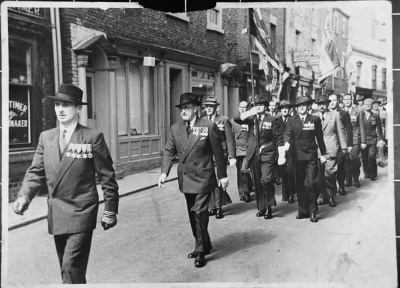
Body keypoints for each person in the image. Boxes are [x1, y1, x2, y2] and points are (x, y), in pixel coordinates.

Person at [13, 83, 119, 284]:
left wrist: (110, 210)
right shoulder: (47, 138)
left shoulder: (91, 137)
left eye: (67, 105)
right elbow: (36, 172)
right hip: (57, 213)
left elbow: (107, 177)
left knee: (70, 268)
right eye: (58, 105)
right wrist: (24, 196)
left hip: (82, 212)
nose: (60, 110)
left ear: (78, 108)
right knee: (70, 271)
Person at [158, 92, 228, 268]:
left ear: (196, 109)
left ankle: (200, 251)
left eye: (187, 108)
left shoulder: (209, 126)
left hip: (203, 177)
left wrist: (223, 175)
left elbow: (219, 153)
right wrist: (164, 172)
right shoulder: (176, 128)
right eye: (182, 108)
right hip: (186, 178)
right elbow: (168, 151)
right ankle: (204, 244)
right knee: (192, 214)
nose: (183, 111)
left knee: (199, 212)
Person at [234, 93, 283, 219]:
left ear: (266, 106)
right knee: (257, 182)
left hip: (267, 153)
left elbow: (278, 138)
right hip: (253, 153)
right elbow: (236, 119)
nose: (259, 107)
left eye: (261, 105)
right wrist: (250, 112)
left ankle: (269, 206)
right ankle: (262, 207)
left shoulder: (272, 119)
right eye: (257, 105)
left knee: (266, 180)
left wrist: (281, 154)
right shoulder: (251, 118)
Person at [283, 96, 327, 222]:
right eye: (299, 105)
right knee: (300, 184)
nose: (302, 107)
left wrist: (323, 153)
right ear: (297, 108)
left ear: (308, 107)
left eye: (304, 105)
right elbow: (288, 134)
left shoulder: (315, 119)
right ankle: (302, 210)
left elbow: (319, 137)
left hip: (311, 155)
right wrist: (286, 143)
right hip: (297, 156)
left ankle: (313, 211)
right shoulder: (292, 120)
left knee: (312, 183)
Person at [202, 96, 236, 219]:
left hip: (221, 154)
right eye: (207, 107)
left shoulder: (224, 120)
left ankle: (218, 208)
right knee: (209, 181)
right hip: (206, 156)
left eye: (211, 106)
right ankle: (213, 206)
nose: (209, 109)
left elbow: (229, 139)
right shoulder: (202, 120)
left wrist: (232, 156)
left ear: (216, 108)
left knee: (219, 181)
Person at [314, 95, 347, 208]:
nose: (322, 106)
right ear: (317, 105)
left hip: (330, 147)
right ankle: (321, 196)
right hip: (317, 148)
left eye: (324, 104)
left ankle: (331, 195)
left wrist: (344, 147)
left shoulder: (335, 115)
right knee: (318, 173)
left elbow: (340, 131)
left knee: (330, 173)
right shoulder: (313, 117)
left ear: (327, 104)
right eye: (320, 104)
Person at [328, 94, 353, 196]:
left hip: (340, 144)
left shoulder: (343, 113)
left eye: (334, 100)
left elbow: (349, 129)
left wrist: (349, 144)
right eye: (330, 100)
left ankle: (341, 185)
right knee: (329, 169)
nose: (332, 102)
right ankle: (331, 189)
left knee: (341, 166)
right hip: (329, 144)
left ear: (338, 101)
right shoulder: (325, 113)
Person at [342, 94, 366, 188]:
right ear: (343, 101)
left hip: (355, 140)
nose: (347, 101)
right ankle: (348, 179)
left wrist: (363, 141)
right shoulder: (340, 112)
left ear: (352, 100)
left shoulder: (358, 111)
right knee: (346, 161)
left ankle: (355, 179)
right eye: (345, 99)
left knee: (354, 160)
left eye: (349, 99)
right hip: (343, 140)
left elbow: (362, 127)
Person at [231, 101, 253, 203]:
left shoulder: (250, 120)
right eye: (241, 107)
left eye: (245, 107)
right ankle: (242, 192)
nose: (242, 109)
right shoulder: (233, 121)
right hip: (237, 149)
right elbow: (230, 137)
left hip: (247, 148)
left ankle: (247, 191)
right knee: (240, 172)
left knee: (245, 170)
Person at [276, 99, 296, 203]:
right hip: (280, 150)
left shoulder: (293, 120)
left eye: (286, 108)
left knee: (291, 172)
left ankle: (292, 193)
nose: (284, 110)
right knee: (283, 173)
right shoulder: (277, 120)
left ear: (289, 109)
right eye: (283, 108)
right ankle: (285, 194)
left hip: (292, 150)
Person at [361, 98, 384, 181]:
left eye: (369, 104)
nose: (367, 105)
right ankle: (366, 173)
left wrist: (381, 139)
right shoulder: (360, 114)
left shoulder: (375, 116)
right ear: (363, 105)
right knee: (364, 157)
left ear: (371, 105)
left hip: (372, 139)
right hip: (363, 139)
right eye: (366, 104)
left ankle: (373, 174)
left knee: (372, 156)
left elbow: (379, 129)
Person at [372, 99, 385, 167]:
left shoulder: (383, 112)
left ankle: (381, 161)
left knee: (380, 147)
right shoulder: (370, 113)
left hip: (380, 132)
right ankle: (375, 160)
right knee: (373, 147)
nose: (375, 106)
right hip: (373, 132)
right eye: (374, 105)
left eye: (377, 104)